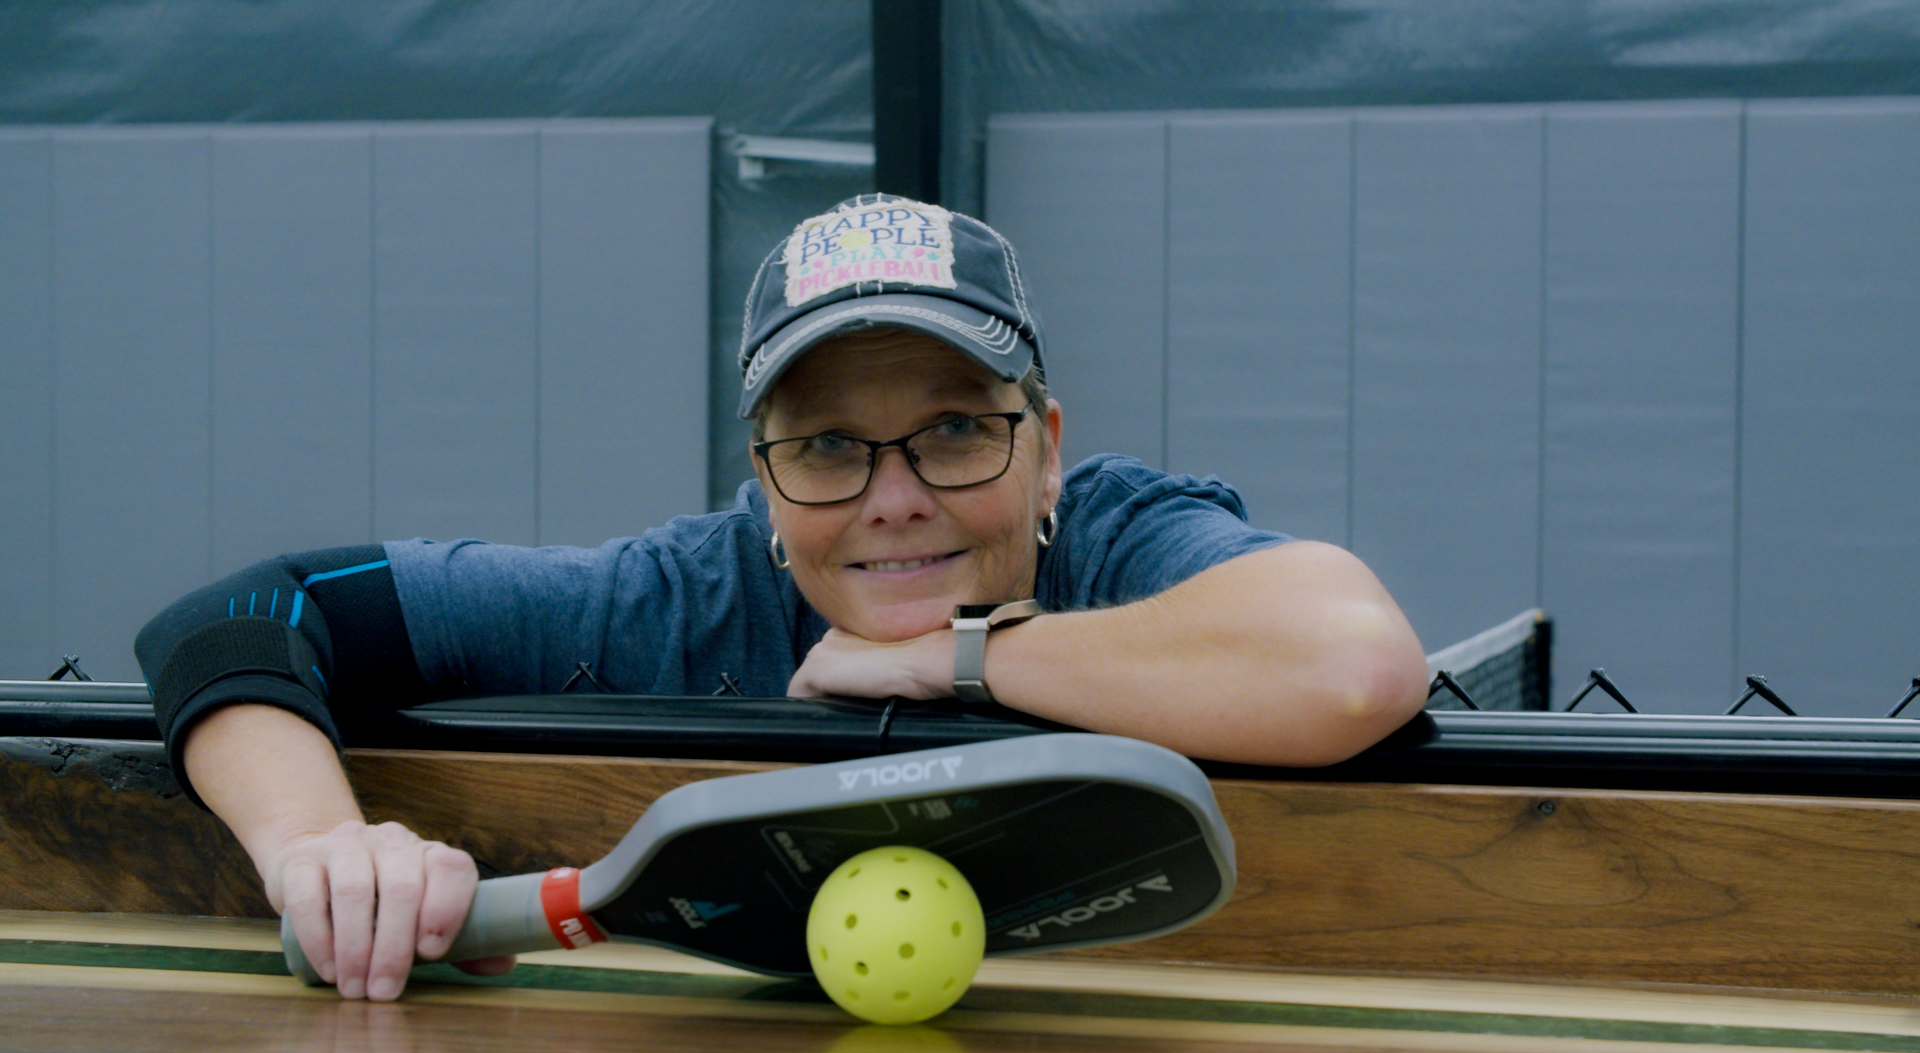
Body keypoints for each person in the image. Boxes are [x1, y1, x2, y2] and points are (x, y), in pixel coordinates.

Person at [136, 193, 1429, 1002]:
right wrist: (318, 847)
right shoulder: (678, 600)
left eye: (955, 432)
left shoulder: (1125, 539)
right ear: (760, 486)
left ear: (1047, 448)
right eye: (825, 447)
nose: (894, 497)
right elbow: (240, 617)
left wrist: (961, 660)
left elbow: (1353, 667)